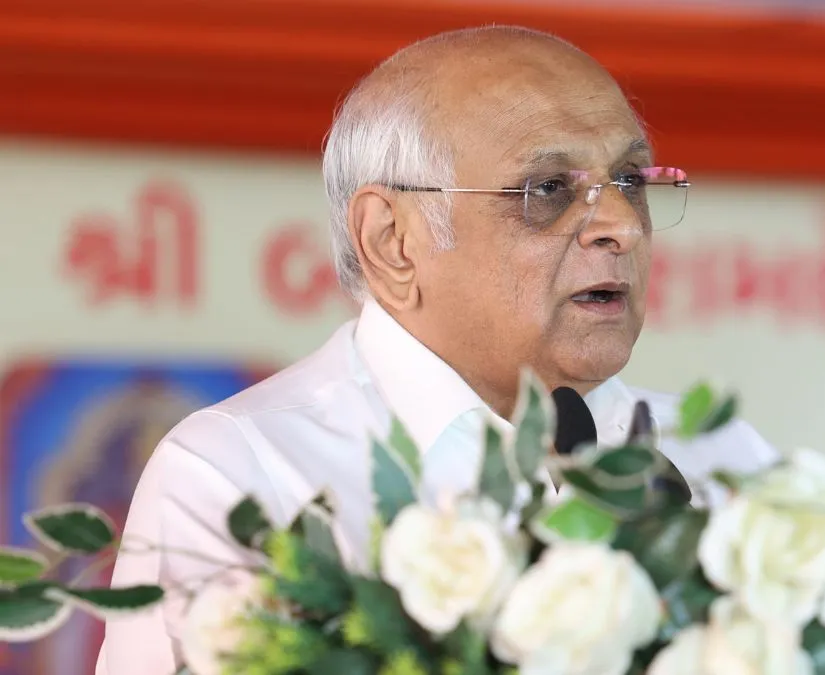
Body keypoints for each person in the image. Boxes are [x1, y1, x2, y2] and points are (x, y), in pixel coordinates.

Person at [96, 25, 777, 673]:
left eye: (629, 181)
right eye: (548, 189)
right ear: (392, 241)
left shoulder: (718, 459)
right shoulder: (243, 474)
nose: (622, 227)